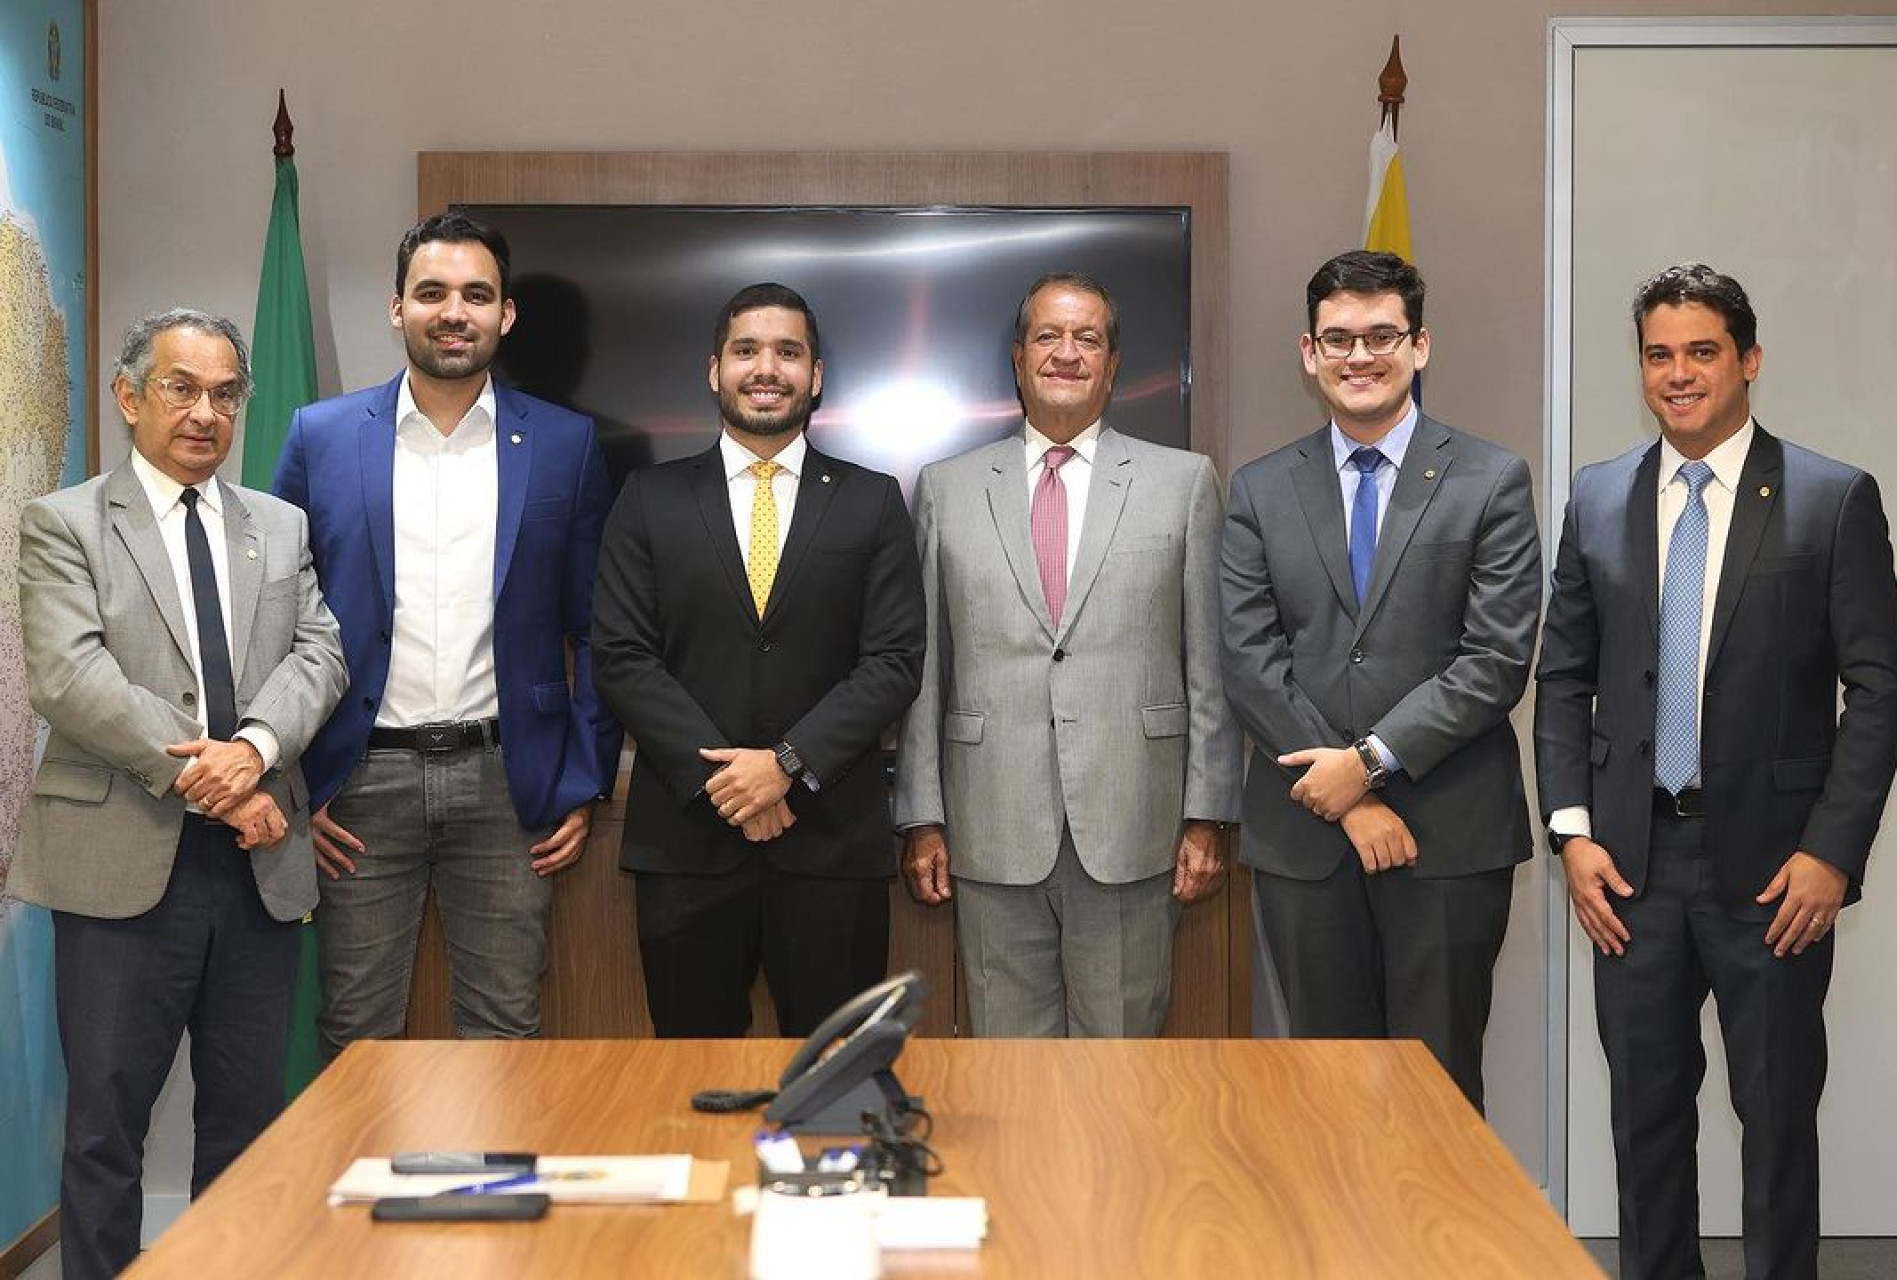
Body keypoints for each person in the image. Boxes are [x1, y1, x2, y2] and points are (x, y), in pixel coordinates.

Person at [1535, 262, 1897, 1279]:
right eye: (1660, 353)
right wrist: (1572, 835)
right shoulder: (1597, 493)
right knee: (1645, 1124)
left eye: (1702, 351)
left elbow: (1880, 690)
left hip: (1775, 874)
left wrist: (1832, 854)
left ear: (1747, 361)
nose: (1680, 372)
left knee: (1778, 1123)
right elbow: (1563, 679)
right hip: (1630, 871)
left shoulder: (1832, 498)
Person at [12, 310, 346, 1280]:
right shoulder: (65, 522)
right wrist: (214, 782)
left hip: (258, 867)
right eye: (182, 388)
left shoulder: (278, 525)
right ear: (129, 397)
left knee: (247, 1121)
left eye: (225, 393)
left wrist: (254, 747)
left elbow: (320, 651)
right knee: (106, 1124)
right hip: (121, 861)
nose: (207, 412)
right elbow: (72, 680)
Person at [273, 213, 620, 1059]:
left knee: (505, 1033)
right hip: (356, 789)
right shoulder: (320, 436)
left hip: (512, 788)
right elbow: (269, 617)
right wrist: (292, 789)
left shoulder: (566, 445)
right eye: (432, 293)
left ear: (506, 315)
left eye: (476, 294)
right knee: (356, 1037)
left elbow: (599, 628)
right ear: (398, 308)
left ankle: (492, 1197)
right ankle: (354, 1199)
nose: (452, 311)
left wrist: (584, 777)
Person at [1216, 250, 1538, 1110]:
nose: (1360, 357)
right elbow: (1248, 661)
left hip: (1449, 834)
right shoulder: (1259, 489)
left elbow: (1496, 658)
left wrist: (1369, 762)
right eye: (1339, 339)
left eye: (1382, 336)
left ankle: (1434, 1254)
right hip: (1306, 836)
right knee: (1324, 1088)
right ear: (1308, 352)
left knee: (1435, 1092)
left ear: (1420, 346)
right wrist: (1349, 795)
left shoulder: (1490, 479)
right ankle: (1335, 1252)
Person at [894, 271, 1240, 1038]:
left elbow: (1210, 665)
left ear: (1113, 366)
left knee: (1119, 1073)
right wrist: (922, 815)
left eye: (1088, 338)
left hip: (1135, 827)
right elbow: (925, 670)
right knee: (1009, 1076)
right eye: (1048, 336)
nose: (1066, 353)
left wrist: (1208, 813)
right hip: (989, 828)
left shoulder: (1182, 484)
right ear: (1018, 359)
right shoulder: (945, 490)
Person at [591, 282, 924, 1036]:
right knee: (693, 1082)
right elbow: (621, 655)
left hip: (832, 846)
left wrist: (786, 764)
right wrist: (729, 781)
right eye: (746, 350)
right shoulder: (648, 498)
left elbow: (895, 659)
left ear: (817, 376)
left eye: (787, 352)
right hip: (687, 847)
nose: (765, 368)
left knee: (837, 1085)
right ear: (714, 370)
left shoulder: (873, 501)